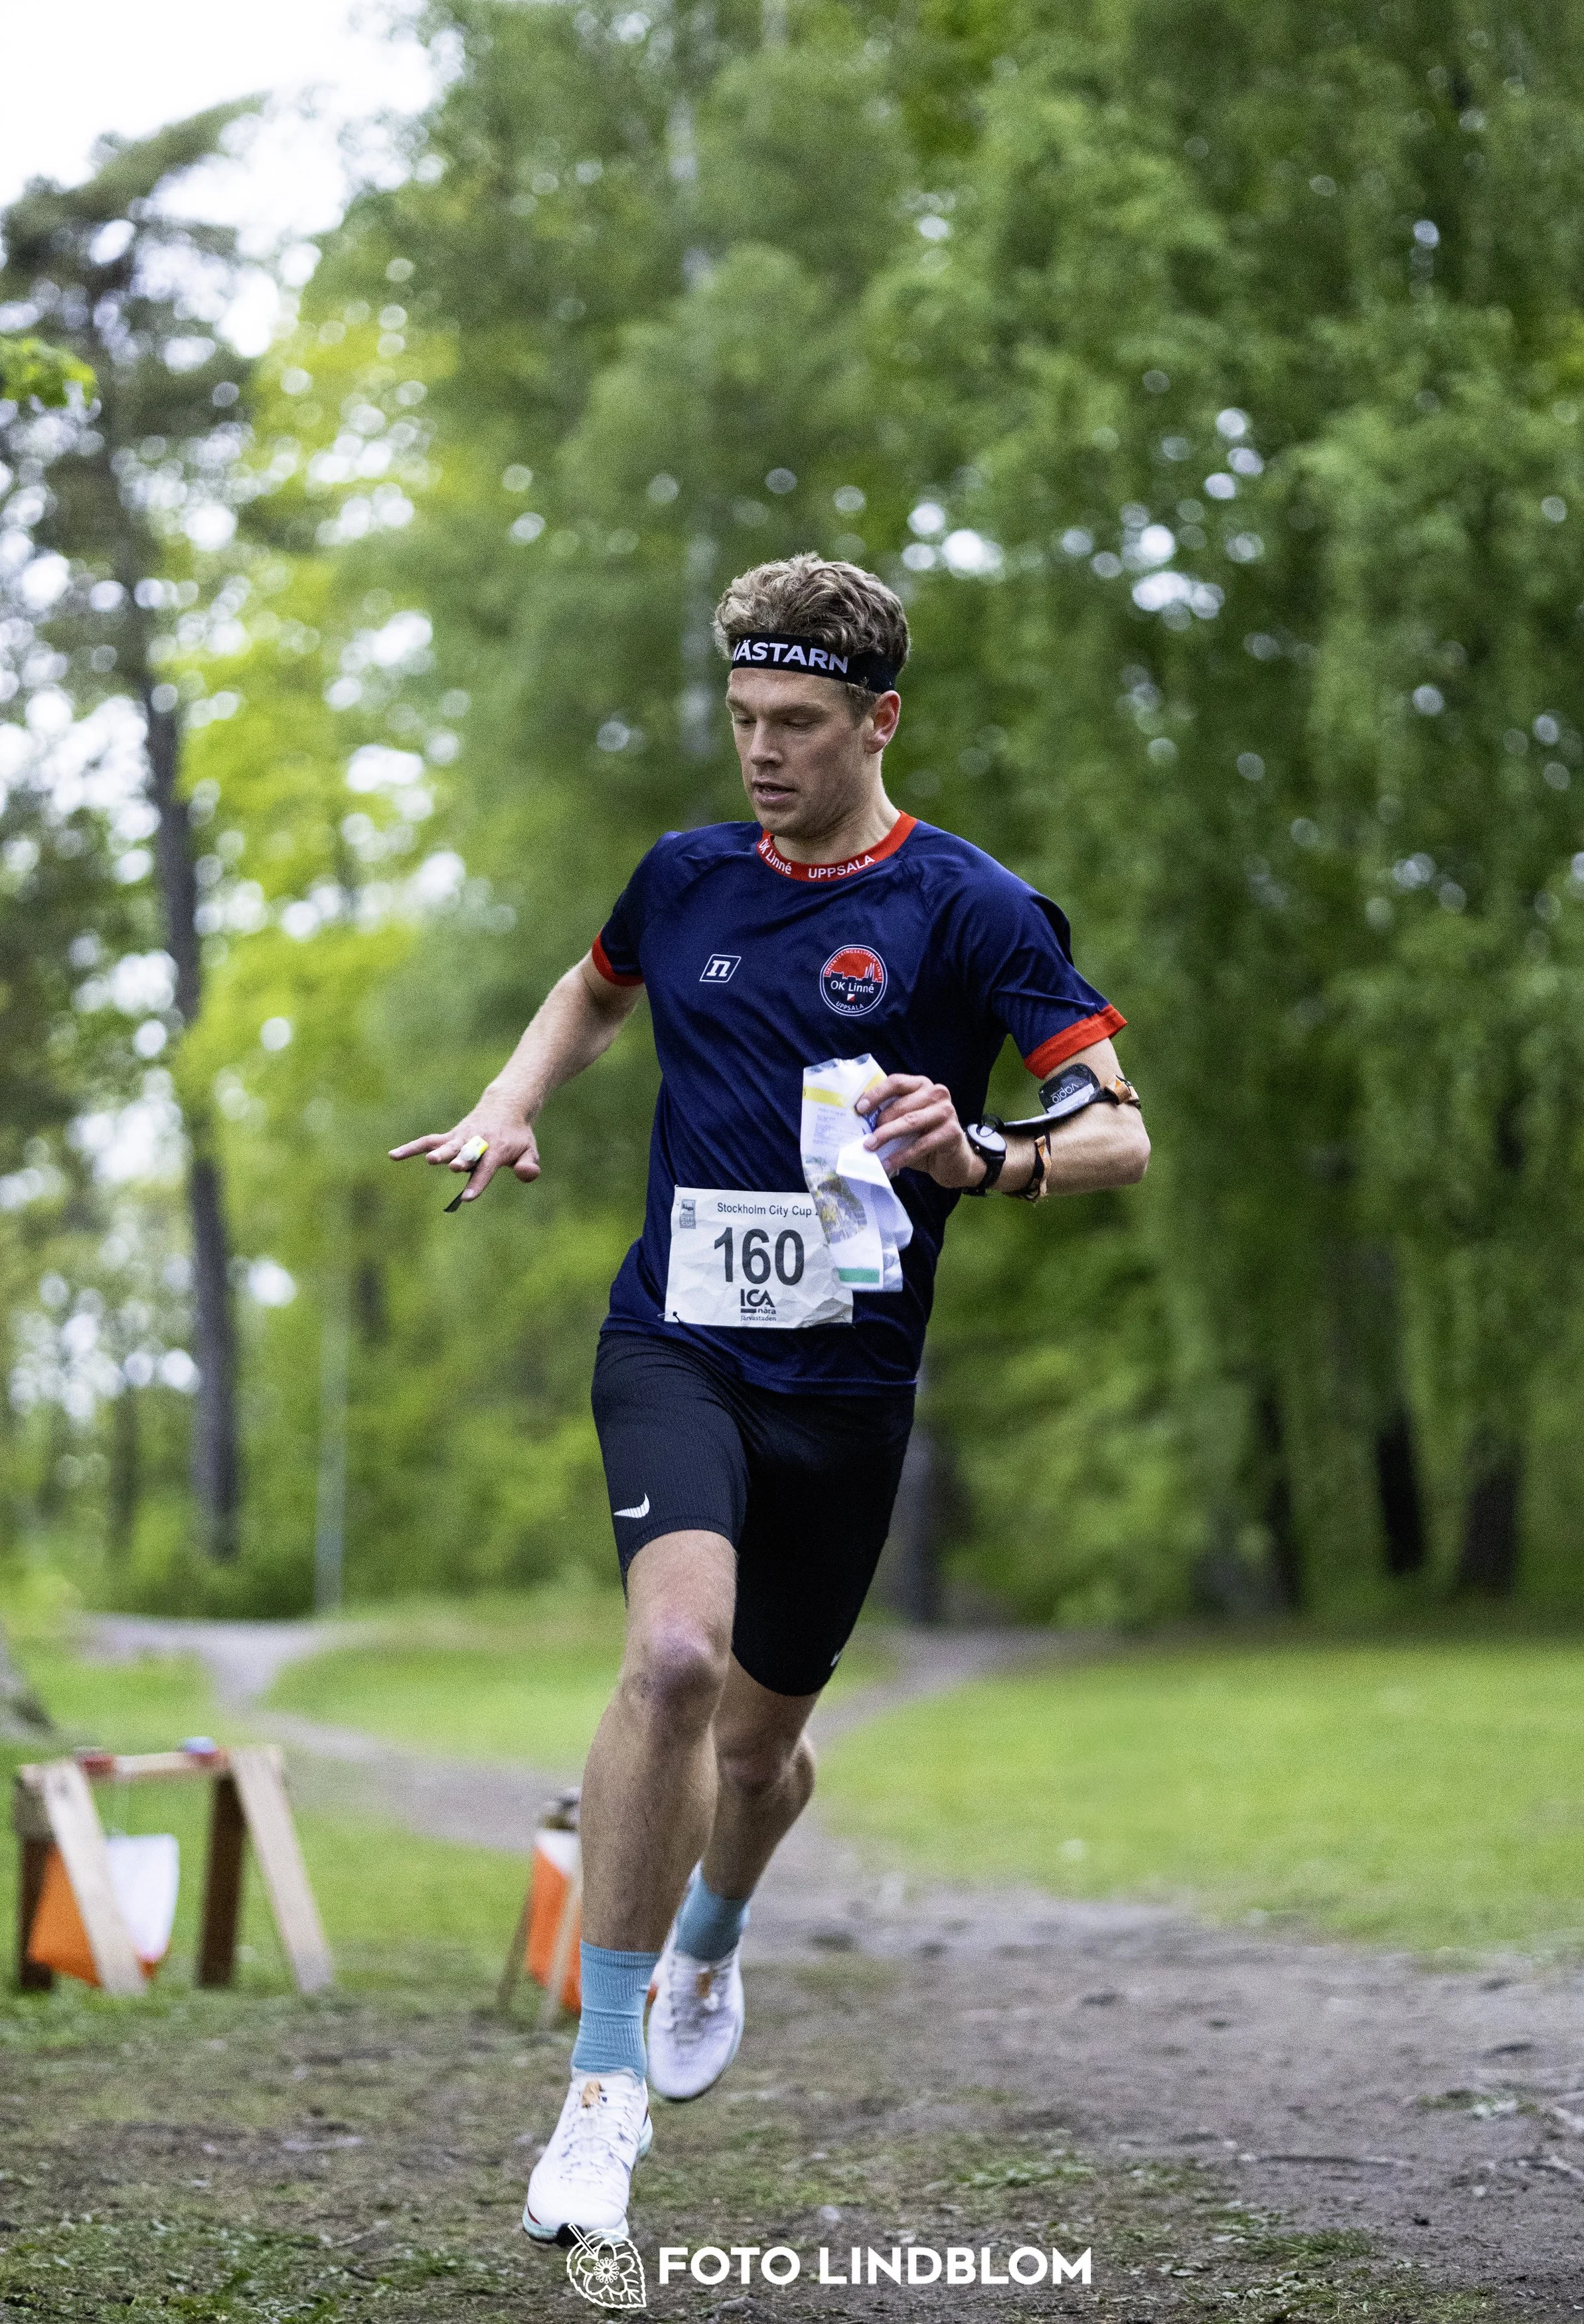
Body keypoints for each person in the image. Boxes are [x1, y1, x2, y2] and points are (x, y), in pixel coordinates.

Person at [390, 554, 1150, 2245]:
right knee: (668, 1659)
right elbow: (598, 982)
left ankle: (716, 1933)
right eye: (740, 718)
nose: (761, 753)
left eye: (796, 723)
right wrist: (511, 1100)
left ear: (878, 720)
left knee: (759, 1753)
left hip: (847, 1389)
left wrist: (990, 1152)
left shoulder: (973, 909)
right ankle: (597, 2096)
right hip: (676, 1343)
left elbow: (1118, 1127)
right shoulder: (683, 880)